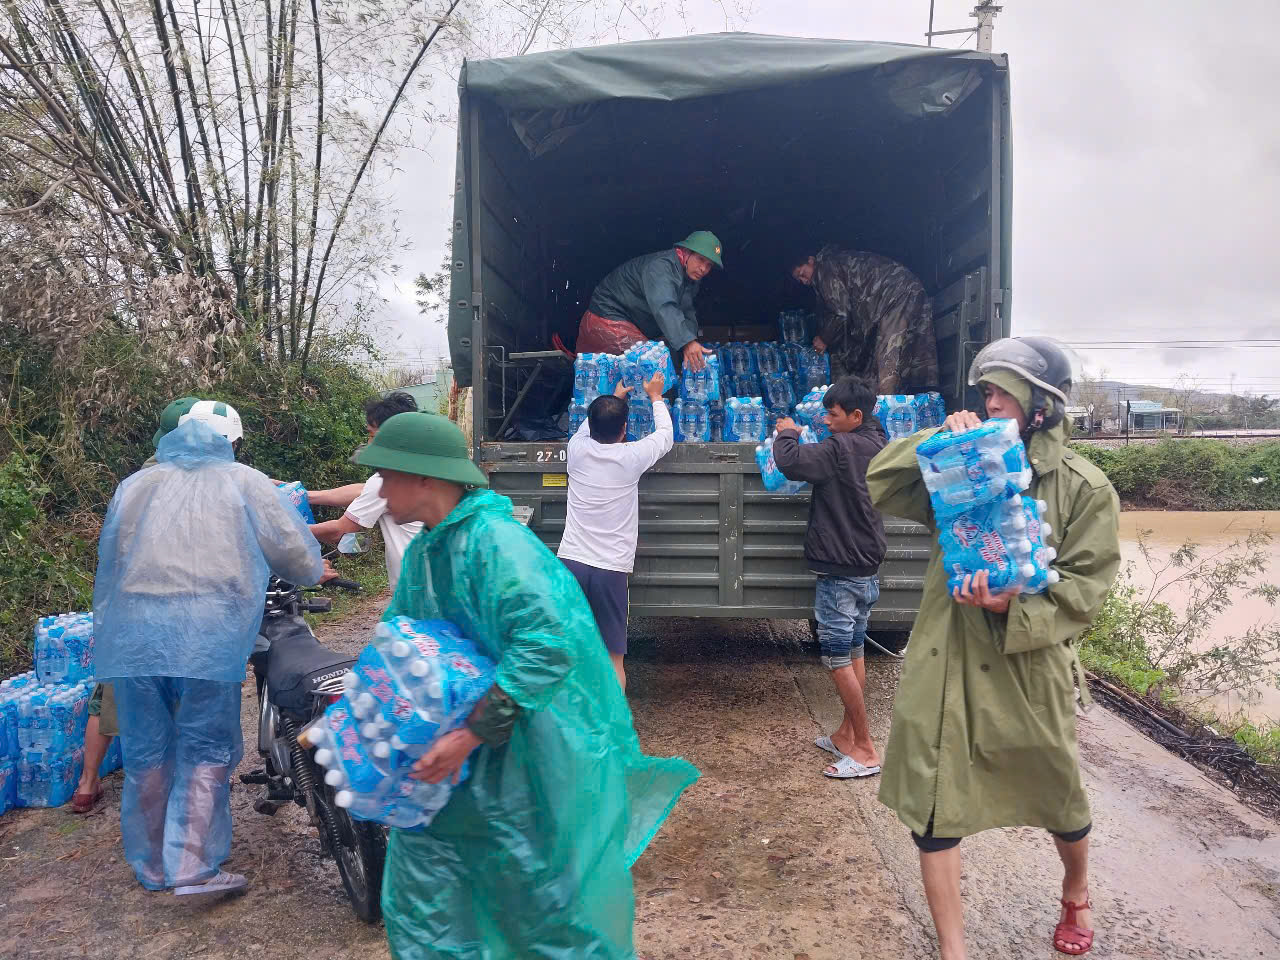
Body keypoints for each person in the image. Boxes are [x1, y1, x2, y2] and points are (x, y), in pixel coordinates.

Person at [357, 411, 698, 959]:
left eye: (387, 474)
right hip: (445, 772)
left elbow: (547, 643)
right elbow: (398, 644)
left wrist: (469, 735)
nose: (378, 487)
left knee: (539, 911)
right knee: (422, 910)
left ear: (426, 479)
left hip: (517, 761)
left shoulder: (497, 546)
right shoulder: (427, 552)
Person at [865, 337, 1121, 958]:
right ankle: (953, 950)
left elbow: (1086, 591)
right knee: (933, 813)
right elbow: (881, 478)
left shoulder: (1085, 489)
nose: (992, 403)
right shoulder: (962, 465)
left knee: (1057, 792)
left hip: (1025, 668)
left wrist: (1014, 606)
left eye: (1005, 392)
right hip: (945, 661)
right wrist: (942, 441)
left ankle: (1076, 890)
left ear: (1041, 405)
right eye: (986, 392)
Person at [93, 400, 324, 895]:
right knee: (206, 745)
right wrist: (312, 570)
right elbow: (294, 554)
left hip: (134, 633)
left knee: (147, 748)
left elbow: (113, 557)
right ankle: (193, 867)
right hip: (207, 633)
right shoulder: (245, 481)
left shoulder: (135, 485)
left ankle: (152, 864)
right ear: (230, 442)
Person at [73, 394, 202, 814]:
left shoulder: (134, 482)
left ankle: (87, 783)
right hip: (167, 607)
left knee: (111, 694)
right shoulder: (191, 483)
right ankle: (167, 795)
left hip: (126, 608)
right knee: (173, 695)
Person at [772, 376, 887, 778]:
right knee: (854, 651)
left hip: (839, 569)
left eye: (833, 414)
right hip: (866, 565)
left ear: (856, 416)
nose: (825, 419)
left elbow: (791, 462)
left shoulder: (840, 448)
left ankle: (867, 750)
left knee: (838, 657)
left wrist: (786, 434)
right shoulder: (878, 442)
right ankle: (845, 734)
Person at [558, 370, 673, 691]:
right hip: (611, 570)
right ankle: (613, 732)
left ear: (590, 426)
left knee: (571, 653)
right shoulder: (631, 456)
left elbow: (586, 429)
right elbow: (665, 435)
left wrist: (614, 397)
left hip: (572, 562)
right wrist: (655, 396)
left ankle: (570, 727)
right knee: (613, 660)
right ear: (625, 430)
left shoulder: (576, 452)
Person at [307, 391, 424, 592]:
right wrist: (304, 494)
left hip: (415, 591)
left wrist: (289, 532)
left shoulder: (387, 479)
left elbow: (339, 532)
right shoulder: (416, 468)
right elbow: (362, 491)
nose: (369, 443)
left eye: (371, 434)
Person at [788, 245, 939, 395]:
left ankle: (888, 411)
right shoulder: (836, 263)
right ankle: (927, 401)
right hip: (908, 287)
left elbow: (840, 313)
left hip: (893, 295)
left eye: (802, 274)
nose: (804, 281)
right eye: (799, 279)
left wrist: (824, 339)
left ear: (811, 261)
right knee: (920, 354)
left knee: (888, 362)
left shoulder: (824, 269)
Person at [578, 230, 724, 371]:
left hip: (632, 324)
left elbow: (686, 310)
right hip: (607, 319)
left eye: (709, 265)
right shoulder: (661, 267)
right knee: (650, 366)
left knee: (665, 361)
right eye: (700, 259)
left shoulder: (689, 278)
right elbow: (665, 307)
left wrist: (691, 341)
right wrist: (687, 343)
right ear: (686, 252)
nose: (703, 268)